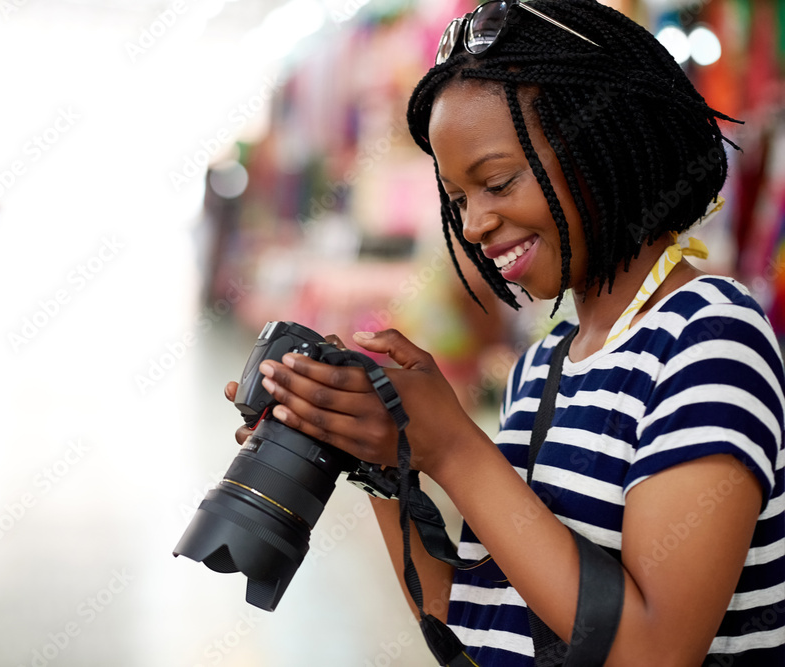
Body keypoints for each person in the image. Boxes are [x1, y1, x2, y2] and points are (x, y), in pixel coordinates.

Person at [224, 0, 785, 664]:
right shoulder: (541, 367)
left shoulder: (709, 339)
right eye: (458, 200)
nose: (475, 224)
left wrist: (456, 448)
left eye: (496, 182)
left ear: (598, 137)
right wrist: (383, 460)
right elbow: (478, 630)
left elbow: (654, 650)